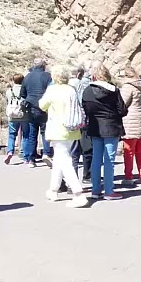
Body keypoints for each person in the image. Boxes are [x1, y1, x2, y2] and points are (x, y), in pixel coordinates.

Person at [38, 66, 90, 208]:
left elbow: (42, 105)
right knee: (60, 159)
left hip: (57, 130)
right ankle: (53, 189)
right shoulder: (71, 89)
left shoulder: (52, 90)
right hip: (72, 129)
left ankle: (78, 193)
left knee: (65, 161)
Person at [81, 63, 126, 200]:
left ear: (94, 76)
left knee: (96, 159)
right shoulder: (113, 90)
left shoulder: (87, 90)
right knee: (109, 160)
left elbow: (85, 108)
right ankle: (109, 190)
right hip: (111, 126)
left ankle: (95, 190)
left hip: (94, 126)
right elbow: (122, 110)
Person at [119, 67, 141, 186]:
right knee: (140, 150)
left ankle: (128, 176)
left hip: (130, 121)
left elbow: (123, 103)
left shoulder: (128, 87)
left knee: (128, 151)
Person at [20, 58, 53, 166]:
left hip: (31, 107)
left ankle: (31, 159)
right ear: (43, 66)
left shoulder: (27, 76)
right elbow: (51, 90)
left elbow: (22, 94)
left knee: (32, 134)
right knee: (45, 132)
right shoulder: (47, 76)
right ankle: (46, 153)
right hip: (44, 107)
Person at [3, 73, 27, 164]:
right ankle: (24, 154)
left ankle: (10, 151)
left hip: (12, 115)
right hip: (23, 115)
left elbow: (7, 102)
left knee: (12, 135)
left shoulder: (9, 91)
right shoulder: (25, 90)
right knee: (25, 135)